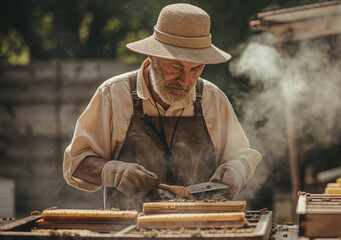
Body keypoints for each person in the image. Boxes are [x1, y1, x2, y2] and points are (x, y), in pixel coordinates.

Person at [63, 3, 261, 210]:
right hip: (127, 230)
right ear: (152, 56)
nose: (185, 80)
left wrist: (238, 168)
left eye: (196, 69)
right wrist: (111, 171)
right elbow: (75, 164)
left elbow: (243, 155)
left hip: (202, 230)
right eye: (176, 66)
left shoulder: (213, 100)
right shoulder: (113, 95)